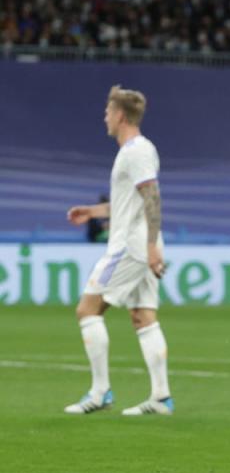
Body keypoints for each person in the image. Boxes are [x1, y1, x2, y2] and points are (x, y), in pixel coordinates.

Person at [63, 85, 173, 416]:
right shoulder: (138, 150)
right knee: (142, 316)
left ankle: (100, 392)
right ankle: (161, 397)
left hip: (131, 247)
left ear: (120, 115)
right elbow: (132, 201)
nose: (105, 117)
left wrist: (151, 246)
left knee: (87, 310)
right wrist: (93, 212)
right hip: (142, 244)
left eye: (109, 112)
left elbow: (152, 197)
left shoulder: (135, 152)